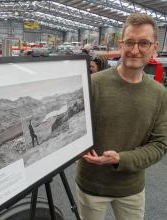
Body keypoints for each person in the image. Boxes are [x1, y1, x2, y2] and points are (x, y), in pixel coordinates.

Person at [76, 13, 167, 220]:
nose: (135, 50)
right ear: (121, 44)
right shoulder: (94, 83)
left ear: (154, 47)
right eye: (130, 42)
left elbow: (160, 145)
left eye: (143, 43)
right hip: (91, 184)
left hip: (131, 188)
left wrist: (120, 159)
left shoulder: (160, 94)